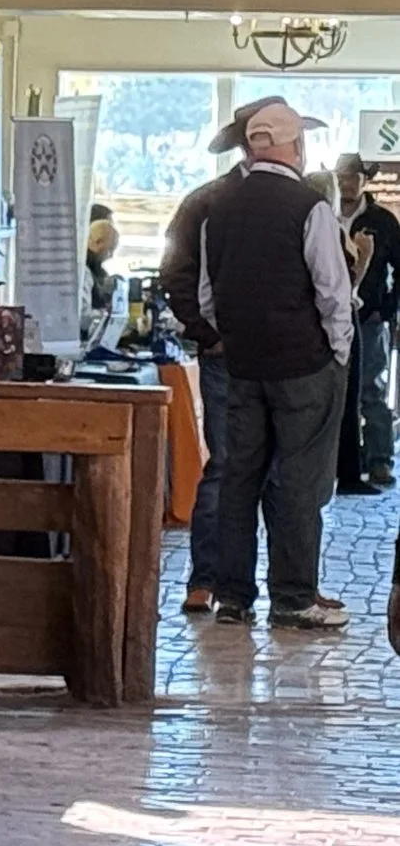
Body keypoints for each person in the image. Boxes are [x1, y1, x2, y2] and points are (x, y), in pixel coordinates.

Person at [198, 100, 350, 632]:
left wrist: (235, 339)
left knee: (240, 479)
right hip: (303, 365)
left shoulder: (219, 206)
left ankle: (232, 597)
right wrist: (339, 351)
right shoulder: (309, 205)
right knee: (298, 483)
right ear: (295, 146)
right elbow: (333, 290)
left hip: (243, 364)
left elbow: (208, 294)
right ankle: (292, 597)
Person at [156, 102, 261, 616]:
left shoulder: (293, 197)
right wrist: (204, 331)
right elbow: (174, 270)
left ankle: (262, 588)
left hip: (276, 354)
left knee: (277, 475)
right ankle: (207, 580)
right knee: (225, 468)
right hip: (230, 352)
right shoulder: (208, 202)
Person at [334, 153, 400, 493]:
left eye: (352, 176)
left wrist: (386, 310)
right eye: (340, 176)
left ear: (364, 179)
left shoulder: (383, 221)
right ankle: (341, 460)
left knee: (372, 388)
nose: (346, 182)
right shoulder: (324, 216)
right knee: (335, 390)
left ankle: (379, 459)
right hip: (330, 317)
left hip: (369, 317)